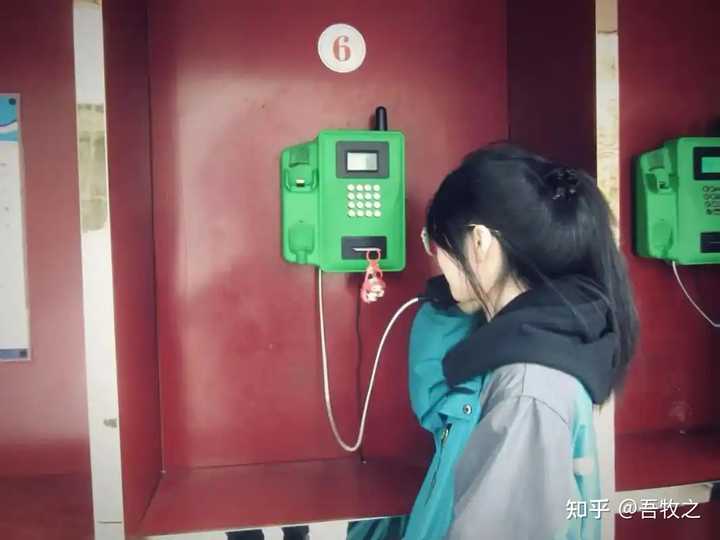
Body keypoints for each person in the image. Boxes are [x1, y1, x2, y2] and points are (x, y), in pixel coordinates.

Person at [349, 143, 638, 540]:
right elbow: (440, 412)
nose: (437, 261)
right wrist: (451, 307)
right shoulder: (519, 343)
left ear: (480, 242)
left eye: (436, 244)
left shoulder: (529, 389)